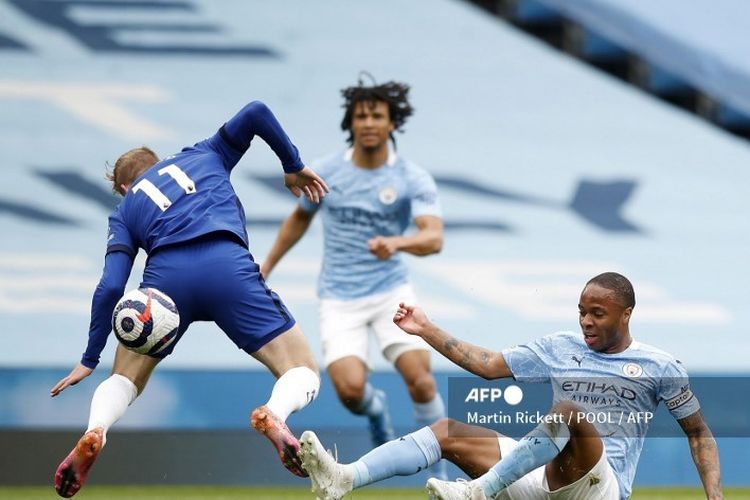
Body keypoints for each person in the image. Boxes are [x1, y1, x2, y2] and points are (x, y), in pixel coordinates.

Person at [49, 100, 329, 498]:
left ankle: (97, 430)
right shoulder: (204, 153)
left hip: (166, 285)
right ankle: (276, 414)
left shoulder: (126, 210)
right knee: (300, 367)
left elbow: (111, 287)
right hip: (227, 266)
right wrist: (292, 165)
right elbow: (256, 111)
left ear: (124, 187)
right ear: (159, 163)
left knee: (124, 379)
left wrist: (89, 358)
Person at [298, 272, 723, 500]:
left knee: (568, 412)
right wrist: (425, 328)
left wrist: (714, 495)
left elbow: (699, 433)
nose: (586, 322)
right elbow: (487, 365)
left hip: (601, 489)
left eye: (598, 313)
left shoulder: (659, 365)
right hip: (541, 476)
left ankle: (480, 492)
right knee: (447, 431)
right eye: (581, 311)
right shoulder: (559, 346)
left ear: (626, 314)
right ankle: (345, 478)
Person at [261, 76, 446, 451]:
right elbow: (299, 220)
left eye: (377, 115)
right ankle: (377, 409)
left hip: (391, 292)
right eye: (360, 116)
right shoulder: (326, 171)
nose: (368, 123)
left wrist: (398, 242)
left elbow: (433, 237)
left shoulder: (411, 178)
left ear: (392, 122)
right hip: (339, 297)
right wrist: (265, 268)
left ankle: (445, 466)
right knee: (349, 391)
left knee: (422, 381)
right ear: (351, 123)